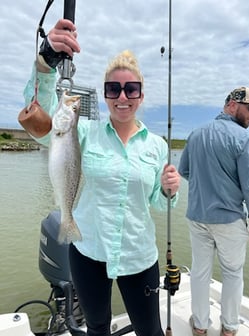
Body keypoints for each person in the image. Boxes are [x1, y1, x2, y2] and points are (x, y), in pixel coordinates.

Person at [23, 19, 180, 336]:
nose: (122, 96)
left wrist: (167, 191)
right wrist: (46, 61)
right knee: (96, 327)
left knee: (150, 330)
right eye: (113, 88)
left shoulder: (157, 146)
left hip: (139, 255)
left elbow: (160, 205)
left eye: (131, 89)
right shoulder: (79, 131)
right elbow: (39, 112)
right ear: (106, 93)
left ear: (141, 94)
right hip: (88, 250)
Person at [178, 87, 249, 336]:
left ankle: (200, 326)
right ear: (232, 104)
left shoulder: (195, 134)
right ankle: (229, 328)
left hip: (197, 217)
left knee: (199, 272)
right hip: (230, 219)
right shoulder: (244, 139)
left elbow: (184, 171)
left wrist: (206, 187)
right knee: (232, 273)